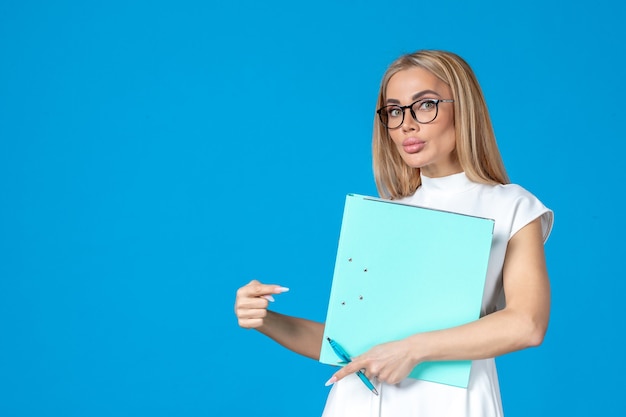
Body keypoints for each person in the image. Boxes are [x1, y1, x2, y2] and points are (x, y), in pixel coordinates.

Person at [234, 49, 553, 417]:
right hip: (358, 403)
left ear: (463, 108)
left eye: (425, 105)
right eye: (395, 110)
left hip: (452, 404)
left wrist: (412, 349)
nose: (407, 125)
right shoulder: (385, 217)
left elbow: (526, 324)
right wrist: (268, 320)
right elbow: (350, 345)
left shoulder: (512, 206)